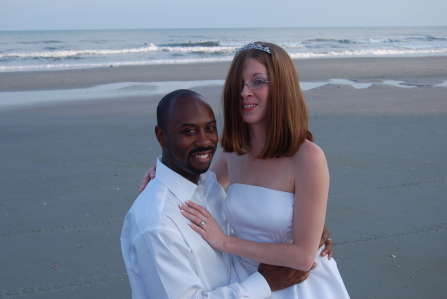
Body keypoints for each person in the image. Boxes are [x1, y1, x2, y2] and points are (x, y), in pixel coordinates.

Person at [141, 42, 349, 298]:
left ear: (282, 87)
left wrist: (225, 242)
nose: (244, 92)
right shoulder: (234, 151)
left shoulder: (307, 158)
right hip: (247, 281)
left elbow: (304, 257)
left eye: (258, 82)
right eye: (239, 84)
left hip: (297, 284)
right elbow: (200, 186)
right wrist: (162, 169)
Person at [121, 89, 331, 298]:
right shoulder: (156, 224)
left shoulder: (209, 186)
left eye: (210, 128)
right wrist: (265, 283)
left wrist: (302, 230)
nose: (204, 141)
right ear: (161, 136)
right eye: (189, 131)